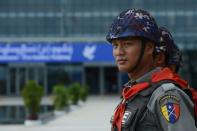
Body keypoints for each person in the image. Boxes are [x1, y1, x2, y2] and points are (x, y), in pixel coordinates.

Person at [106, 9, 196, 131]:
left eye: (127, 44)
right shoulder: (133, 92)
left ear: (149, 48)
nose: (119, 52)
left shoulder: (166, 96)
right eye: (115, 45)